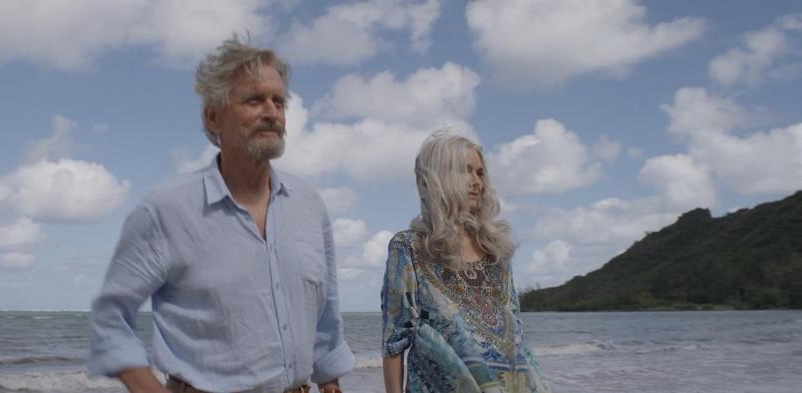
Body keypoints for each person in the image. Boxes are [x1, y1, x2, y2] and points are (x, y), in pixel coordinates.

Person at [88, 35, 354, 393]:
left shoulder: (308, 204)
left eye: (279, 101)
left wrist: (331, 384)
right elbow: (110, 318)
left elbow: (325, 314)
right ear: (213, 117)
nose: (272, 112)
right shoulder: (166, 209)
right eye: (255, 100)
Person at [381, 133, 551, 393]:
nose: (476, 182)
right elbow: (394, 341)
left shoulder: (496, 249)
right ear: (439, 178)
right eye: (465, 171)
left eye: (480, 173)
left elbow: (515, 335)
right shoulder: (409, 248)